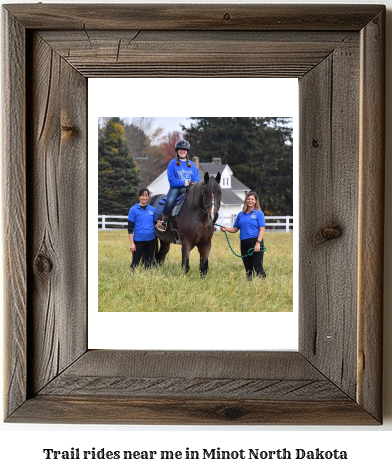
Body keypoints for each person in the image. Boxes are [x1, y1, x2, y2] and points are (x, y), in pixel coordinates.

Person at [221, 191, 266, 280]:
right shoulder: (240, 214)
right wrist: (226, 229)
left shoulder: (259, 213)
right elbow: (235, 228)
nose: (250, 201)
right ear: (245, 201)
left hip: (255, 242)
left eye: (252, 199)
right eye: (248, 199)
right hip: (244, 243)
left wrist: (258, 243)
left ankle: (263, 286)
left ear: (256, 201)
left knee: (257, 266)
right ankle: (249, 285)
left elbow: (262, 229)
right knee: (248, 268)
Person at [157, 139, 200, 231]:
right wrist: (183, 183)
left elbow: (197, 178)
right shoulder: (172, 163)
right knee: (170, 201)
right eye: (180, 149)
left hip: (190, 189)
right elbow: (171, 180)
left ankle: (206, 222)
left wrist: (194, 183)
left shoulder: (191, 164)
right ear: (177, 151)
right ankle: (164, 222)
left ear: (187, 152)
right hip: (176, 188)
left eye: (184, 150)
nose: (182, 151)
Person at [128, 188, 157, 270]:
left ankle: (147, 280)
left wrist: (159, 224)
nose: (145, 198)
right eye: (143, 196)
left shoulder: (152, 209)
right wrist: (131, 243)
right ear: (139, 196)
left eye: (146, 196)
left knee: (148, 264)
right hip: (138, 241)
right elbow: (130, 228)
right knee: (134, 264)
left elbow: (154, 224)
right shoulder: (133, 210)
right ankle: (131, 278)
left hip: (151, 240)